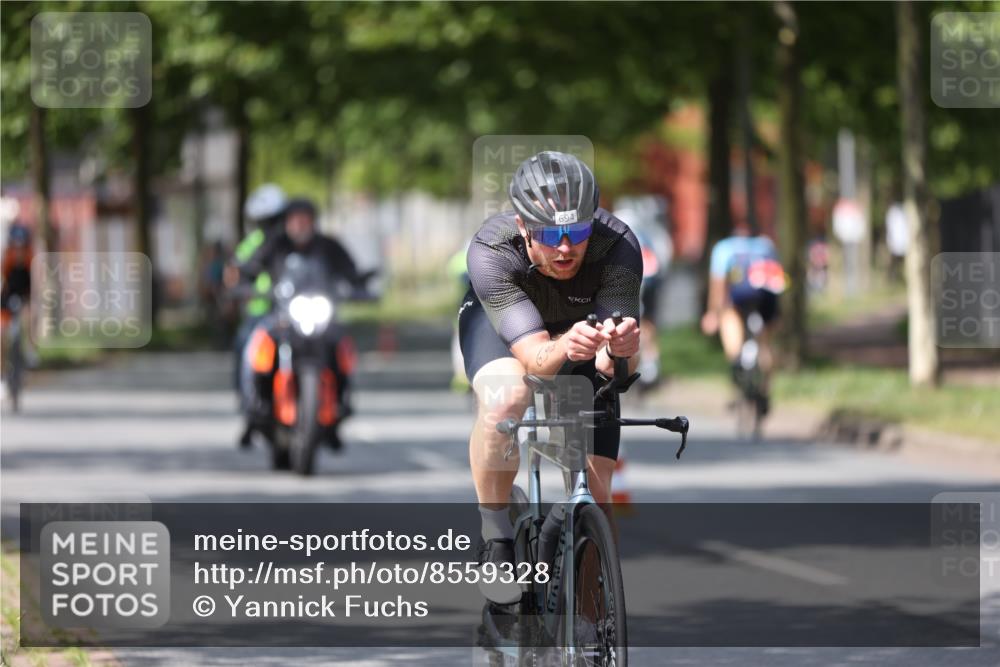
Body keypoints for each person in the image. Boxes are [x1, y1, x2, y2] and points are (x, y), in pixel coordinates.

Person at [459, 151, 642, 603]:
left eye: (577, 231)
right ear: (523, 227)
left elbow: (614, 366)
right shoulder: (492, 251)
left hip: (577, 337)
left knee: (596, 499)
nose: (565, 248)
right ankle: (496, 533)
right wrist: (566, 346)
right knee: (507, 397)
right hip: (507, 335)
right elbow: (537, 357)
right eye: (549, 234)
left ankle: (589, 622)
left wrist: (620, 352)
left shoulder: (617, 245)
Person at [236, 197, 364, 448]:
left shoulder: (327, 245)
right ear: (287, 222)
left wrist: (360, 284)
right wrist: (243, 283)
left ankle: (341, 403)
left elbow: (351, 271)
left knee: (341, 345)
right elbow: (249, 269)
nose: (300, 224)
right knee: (254, 346)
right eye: (295, 219)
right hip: (282, 316)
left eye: (306, 219)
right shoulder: (275, 244)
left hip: (319, 316)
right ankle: (254, 404)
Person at [700, 229, 785, 415]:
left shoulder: (724, 249)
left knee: (730, 323)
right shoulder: (766, 246)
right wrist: (777, 317)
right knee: (765, 345)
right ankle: (764, 391)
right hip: (767, 297)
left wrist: (713, 313)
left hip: (739, 297)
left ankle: (738, 369)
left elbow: (719, 284)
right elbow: (778, 280)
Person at [613, 200, 672, 389]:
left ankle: (640, 361)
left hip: (632, 281)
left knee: (625, 320)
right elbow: (663, 255)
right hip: (651, 278)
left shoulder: (616, 231)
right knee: (647, 321)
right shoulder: (649, 232)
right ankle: (651, 363)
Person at [1, 222, 36, 368]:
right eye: (16, 247)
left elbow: (36, 282)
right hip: (7, 295)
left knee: (29, 316)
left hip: (25, 295)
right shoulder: (6, 258)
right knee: (2, 334)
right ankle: (2, 375)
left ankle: (29, 347)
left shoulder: (30, 258)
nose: (18, 252)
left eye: (21, 247)